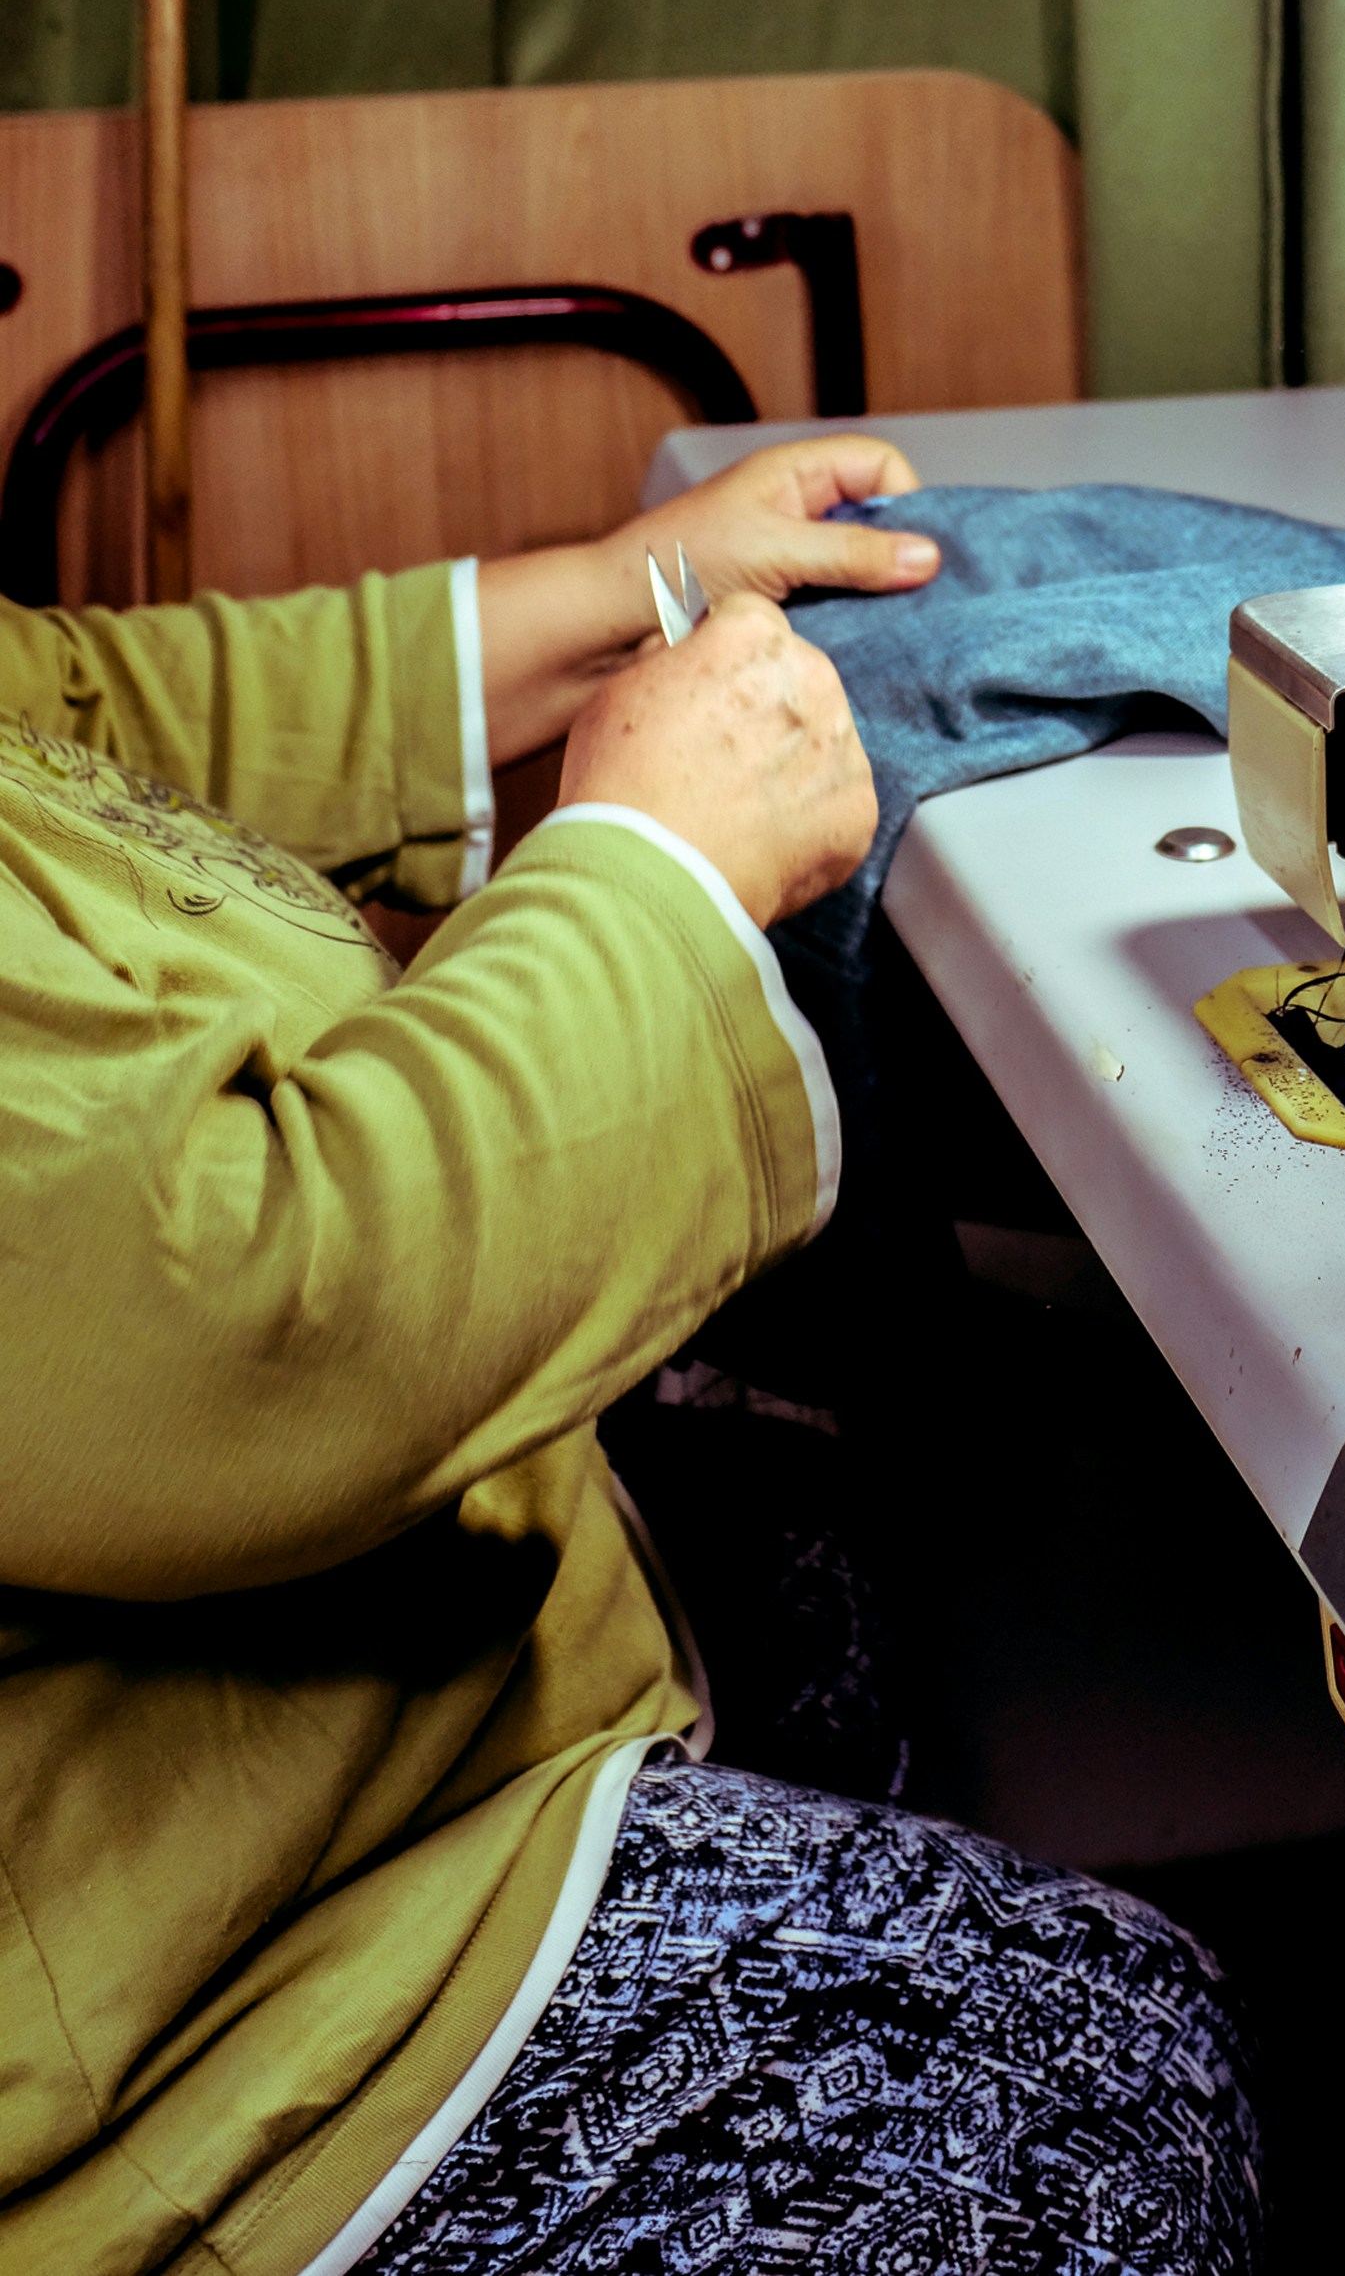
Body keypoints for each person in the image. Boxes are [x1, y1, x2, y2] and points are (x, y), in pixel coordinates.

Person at [0, 435, 1261, 2276]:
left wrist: (612, 595)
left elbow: (69, 712)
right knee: (1114, 2100)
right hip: (212, 2054)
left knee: (839, 1561)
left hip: (302, 1764)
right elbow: (248, 1328)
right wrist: (652, 866)